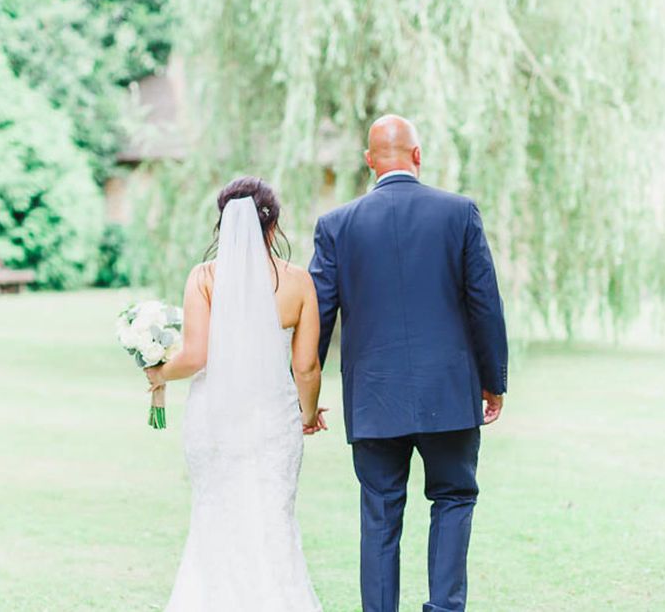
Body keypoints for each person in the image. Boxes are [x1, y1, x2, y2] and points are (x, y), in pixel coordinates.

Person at [309, 114, 508, 612]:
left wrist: (304, 398)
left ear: (369, 161)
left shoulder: (336, 226)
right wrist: (493, 382)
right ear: (418, 155)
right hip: (448, 393)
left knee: (379, 513)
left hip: (374, 399)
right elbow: (484, 304)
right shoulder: (459, 213)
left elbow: (320, 316)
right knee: (454, 498)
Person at [145, 176, 326, 611]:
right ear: (273, 225)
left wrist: (158, 373)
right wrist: (305, 415)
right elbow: (306, 366)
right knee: (272, 521)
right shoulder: (298, 282)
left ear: (222, 223)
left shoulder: (204, 278)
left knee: (216, 517)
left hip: (216, 420)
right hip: (273, 422)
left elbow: (194, 356)